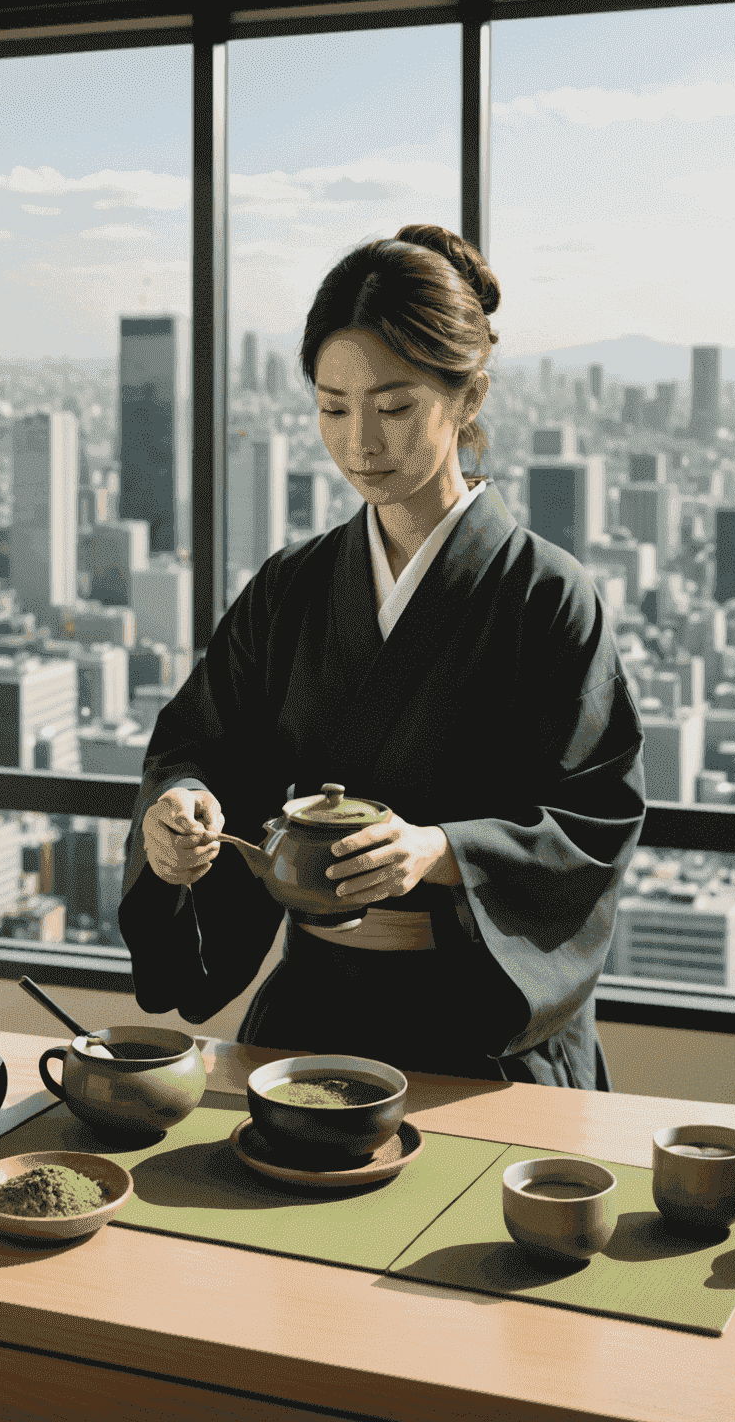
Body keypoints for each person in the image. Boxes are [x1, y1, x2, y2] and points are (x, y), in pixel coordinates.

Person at [118, 224, 646, 1088]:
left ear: (467, 397)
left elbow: (594, 823)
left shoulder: (546, 599)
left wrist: (439, 852)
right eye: (333, 408)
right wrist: (181, 811)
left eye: (395, 407)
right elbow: (203, 743)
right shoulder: (291, 588)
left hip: (481, 1037)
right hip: (312, 1013)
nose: (361, 442)